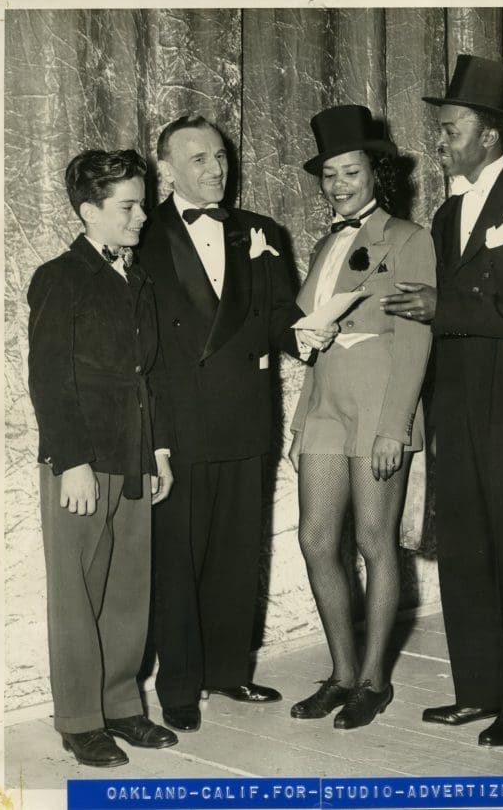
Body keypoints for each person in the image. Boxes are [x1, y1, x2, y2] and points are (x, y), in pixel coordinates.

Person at [382, 54, 503, 747]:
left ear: (489, 135)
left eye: (451, 129)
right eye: (441, 130)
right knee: (465, 547)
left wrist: (445, 304)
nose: (439, 141)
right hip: (458, 408)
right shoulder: (444, 214)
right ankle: (479, 690)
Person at [139, 114, 336, 732]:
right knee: (179, 557)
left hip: (246, 419)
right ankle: (177, 686)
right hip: (178, 423)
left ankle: (228, 671)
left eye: (220, 156)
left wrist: (306, 333)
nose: (215, 169)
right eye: (198, 159)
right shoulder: (141, 234)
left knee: (236, 551)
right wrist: (153, 439)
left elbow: (279, 317)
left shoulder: (260, 231)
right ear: (167, 169)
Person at [27, 149, 177, 767]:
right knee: (78, 590)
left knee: (127, 590)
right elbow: (50, 378)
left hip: (136, 454)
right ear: (90, 212)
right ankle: (80, 719)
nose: (143, 215)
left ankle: (122, 706)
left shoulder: (136, 277)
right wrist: (73, 462)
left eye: (141, 203)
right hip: (84, 460)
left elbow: (149, 375)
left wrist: (160, 449)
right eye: (129, 206)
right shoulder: (60, 278)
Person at [288, 104, 436, 729]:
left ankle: (374, 680)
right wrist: (300, 421)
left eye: (351, 171)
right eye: (329, 174)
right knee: (317, 539)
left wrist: (395, 427)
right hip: (325, 402)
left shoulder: (408, 239)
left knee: (375, 542)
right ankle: (342, 673)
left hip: (380, 402)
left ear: (376, 172)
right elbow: (312, 335)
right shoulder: (325, 243)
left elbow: (416, 341)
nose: (340, 183)